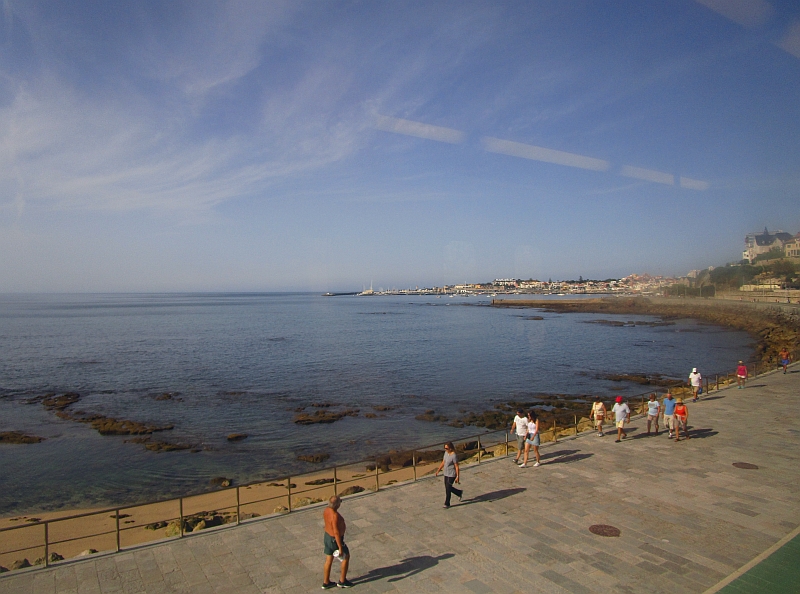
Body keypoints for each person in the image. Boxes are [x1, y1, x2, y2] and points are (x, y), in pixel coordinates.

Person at [322, 496, 353, 589]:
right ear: (337, 505)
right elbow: (336, 532)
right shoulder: (334, 516)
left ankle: (326, 582)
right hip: (334, 539)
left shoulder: (326, 510)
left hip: (327, 537)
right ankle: (342, 581)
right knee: (346, 557)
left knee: (328, 559)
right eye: (340, 502)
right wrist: (340, 547)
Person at [434, 442, 462, 508]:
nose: (445, 449)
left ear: (450, 448)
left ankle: (447, 503)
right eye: (444, 448)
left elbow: (457, 466)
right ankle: (459, 493)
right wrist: (438, 470)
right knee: (447, 487)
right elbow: (443, 462)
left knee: (448, 488)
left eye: (446, 448)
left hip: (452, 474)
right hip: (446, 473)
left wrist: (457, 476)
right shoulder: (446, 453)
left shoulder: (454, 456)